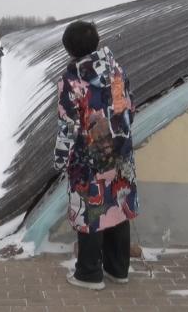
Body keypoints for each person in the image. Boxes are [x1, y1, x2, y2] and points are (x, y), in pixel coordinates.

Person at [54, 21, 139, 290]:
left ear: (69, 49)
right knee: (117, 205)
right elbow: (128, 109)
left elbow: (68, 126)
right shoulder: (116, 70)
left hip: (88, 158)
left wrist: (61, 159)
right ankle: (118, 269)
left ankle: (89, 274)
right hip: (120, 153)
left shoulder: (72, 81)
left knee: (91, 211)